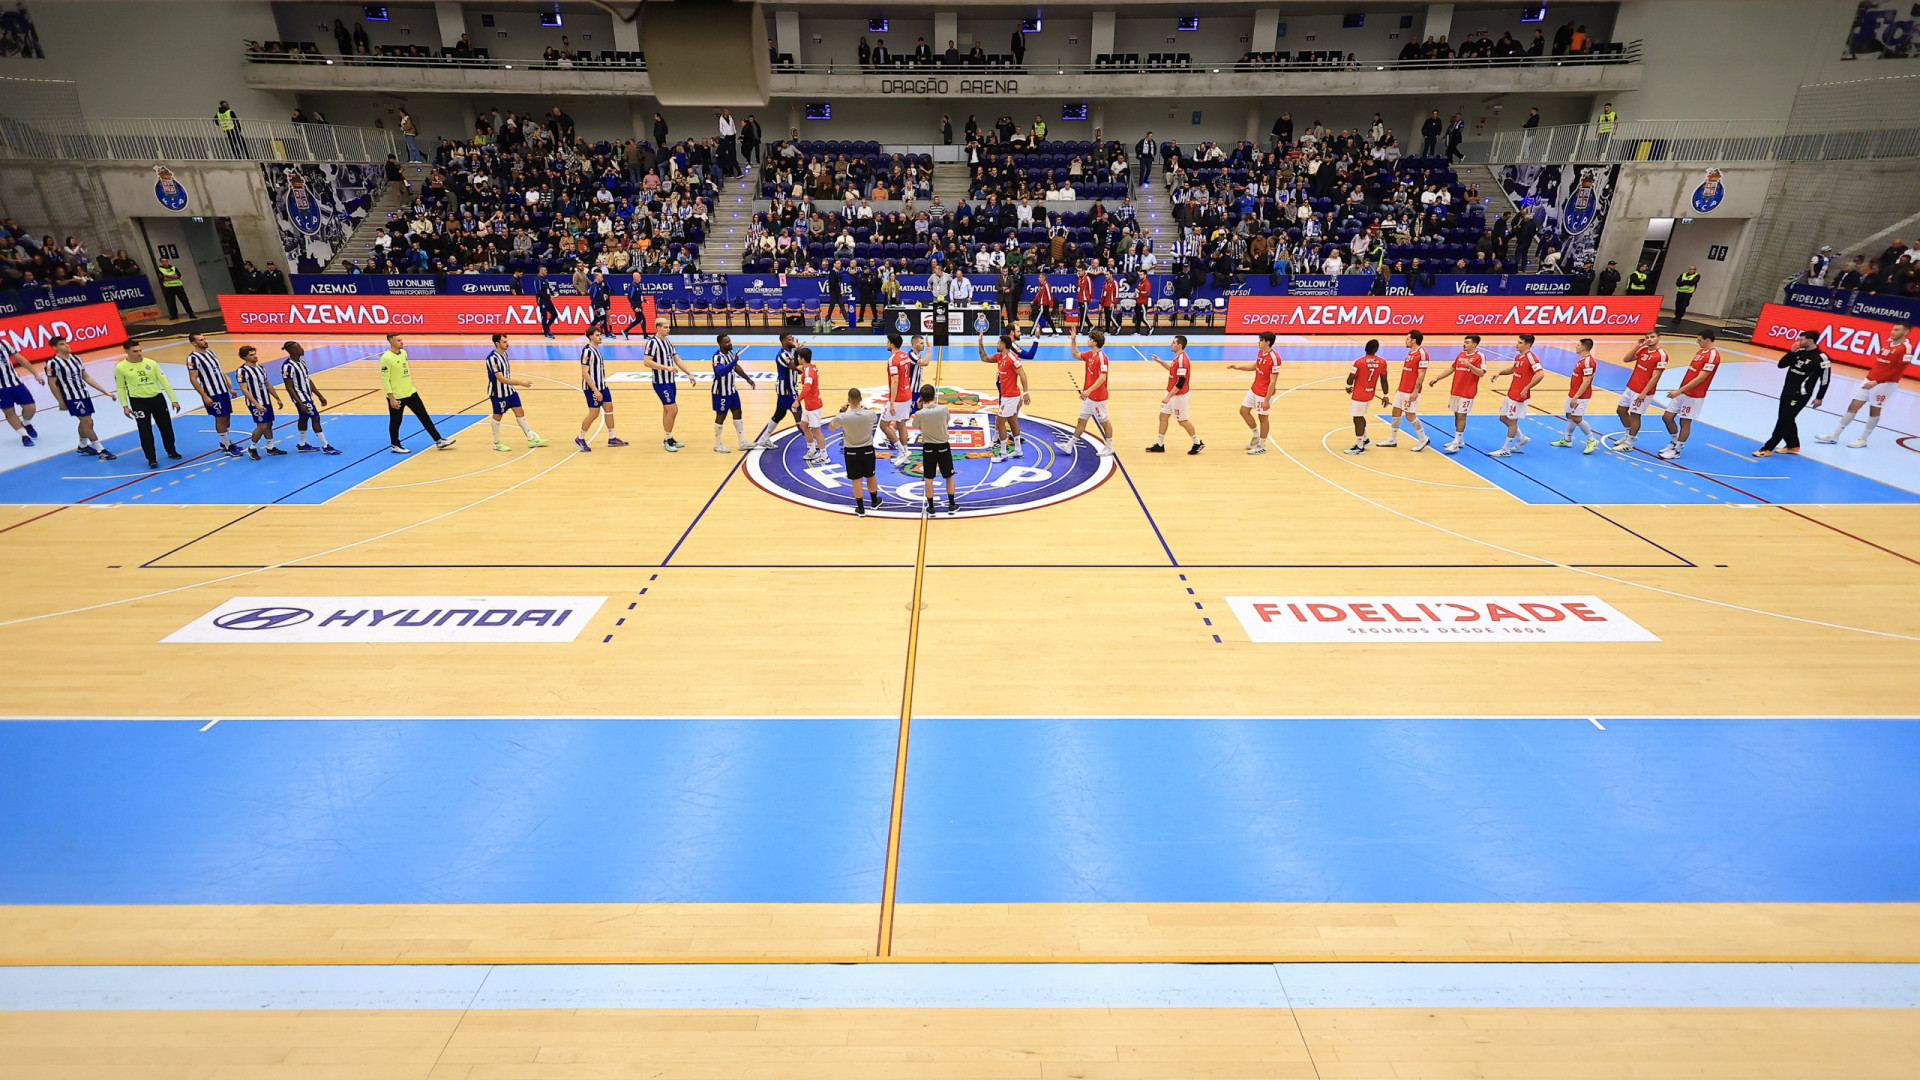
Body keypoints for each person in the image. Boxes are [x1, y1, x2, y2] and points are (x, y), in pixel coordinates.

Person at [1816, 322, 1912, 448]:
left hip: (1885, 384)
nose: (1893, 332)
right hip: (1870, 379)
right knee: (1853, 406)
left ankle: (1863, 439)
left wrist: (1877, 381)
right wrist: (1870, 378)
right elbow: (1880, 364)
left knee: (1874, 410)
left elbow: (1898, 370)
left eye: (1897, 330)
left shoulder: (1906, 347)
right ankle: (1835, 435)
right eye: (1893, 329)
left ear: (1905, 332)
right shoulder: (1887, 343)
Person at [1755, 330, 1830, 457]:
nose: (1799, 341)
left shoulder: (1822, 358)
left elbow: (1825, 380)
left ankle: (1767, 448)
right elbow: (1781, 365)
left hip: (1801, 394)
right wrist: (1791, 353)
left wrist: (1819, 397)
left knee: (1784, 420)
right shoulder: (1798, 353)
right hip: (1787, 391)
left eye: (1802, 339)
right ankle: (1792, 445)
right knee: (1787, 418)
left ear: (1810, 340)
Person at [43, 336, 116, 459]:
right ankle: (101, 450)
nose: (66, 345)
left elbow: (86, 377)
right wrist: (61, 401)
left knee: (85, 422)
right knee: (87, 421)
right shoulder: (52, 363)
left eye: (66, 343)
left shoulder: (76, 358)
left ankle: (82, 446)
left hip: (83, 394)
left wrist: (105, 391)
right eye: (62, 344)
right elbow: (52, 383)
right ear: (55, 348)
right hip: (71, 397)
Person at [379, 332, 454, 453]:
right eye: (398, 340)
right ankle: (395, 444)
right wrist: (391, 398)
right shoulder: (386, 358)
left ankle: (439, 440)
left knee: (424, 416)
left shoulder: (403, 353)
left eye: (401, 340)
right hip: (397, 395)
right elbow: (385, 380)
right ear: (391, 342)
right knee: (396, 421)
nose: (401, 342)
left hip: (411, 392)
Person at [1653, 330, 1722, 459]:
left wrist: (1678, 391)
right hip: (1683, 391)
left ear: (1708, 340)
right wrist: (1680, 390)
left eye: (1700, 340)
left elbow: (1701, 378)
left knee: (1685, 422)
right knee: (1667, 417)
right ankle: (1674, 442)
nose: (1697, 341)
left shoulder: (1713, 356)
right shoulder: (1701, 351)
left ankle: (1677, 450)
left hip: (1694, 395)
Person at [113, 340, 181, 468]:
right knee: (145, 431)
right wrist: (125, 406)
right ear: (126, 351)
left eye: (140, 350)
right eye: (135, 351)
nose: (139, 353)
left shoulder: (151, 363)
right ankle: (151, 458)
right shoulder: (120, 367)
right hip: (138, 401)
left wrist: (174, 400)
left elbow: (164, 381)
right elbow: (121, 387)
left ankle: (171, 451)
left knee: (166, 426)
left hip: (157, 399)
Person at [826, 387, 883, 516]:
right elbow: (874, 418)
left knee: (856, 479)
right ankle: (874, 502)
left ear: (848, 400)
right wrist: (865, 408)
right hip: (867, 450)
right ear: (861, 399)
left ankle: (861, 508)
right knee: (871, 475)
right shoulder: (869, 414)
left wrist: (840, 411)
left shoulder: (843, 417)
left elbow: (831, 427)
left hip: (851, 451)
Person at [484, 334, 546, 451]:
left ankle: (531, 438)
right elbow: (501, 378)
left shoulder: (505, 354)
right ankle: (497, 443)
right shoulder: (493, 359)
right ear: (497, 343)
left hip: (509, 390)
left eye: (507, 341)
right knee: (498, 416)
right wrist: (521, 382)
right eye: (504, 342)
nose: (507, 344)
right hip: (498, 393)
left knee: (519, 411)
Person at [1487, 333, 1545, 457]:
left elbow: (1540, 374)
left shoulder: (1531, 357)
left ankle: (1506, 449)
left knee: (1512, 422)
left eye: (1520, 343)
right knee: (1503, 417)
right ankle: (1521, 438)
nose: (1516, 344)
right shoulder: (1519, 357)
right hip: (1512, 392)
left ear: (1527, 345)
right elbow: (1514, 369)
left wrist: (1527, 387)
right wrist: (1500, 373)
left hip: (1520, 395)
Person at [182, 334, 240, 457]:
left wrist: (230, 387)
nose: (205, 341)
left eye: (204, 339)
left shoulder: (211, 353)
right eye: (201, 340)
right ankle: (227, 446)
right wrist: (204, 396)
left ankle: (225, 442)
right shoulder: (192, 358)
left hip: (223, 390)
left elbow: (219, 371)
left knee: (227, 416)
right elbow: (193, 379)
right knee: (220, 417)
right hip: (212, 393)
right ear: (194, 343)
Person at [1610, 329, 1668, 451]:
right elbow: (1626, 359)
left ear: (1659, 338)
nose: (1649, 339)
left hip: (1643, 391)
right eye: (1647, 337)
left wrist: (1644, 393)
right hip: (1631, 386)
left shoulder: (1661, 355)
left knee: (1635, 415)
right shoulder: (1643, 350)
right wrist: (1637, 346)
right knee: (1621, 410)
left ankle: (1629, 443)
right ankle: (1629, 434)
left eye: (1652, 337)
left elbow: (1656, 376)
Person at [1429, 333, 1487, 454]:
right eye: (1464, 342)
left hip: (1468, 392)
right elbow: (1452, 368)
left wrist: (1469, 364)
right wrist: (1437, 378)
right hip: (1456, 390)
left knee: (1462, 415)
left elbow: (1481, 373)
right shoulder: (1460, 354)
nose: (1464, 344)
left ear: (1475, 344)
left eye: (1467, 342)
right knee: (1456, 414)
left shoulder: (1480, 356)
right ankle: (1459, 440)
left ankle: (1455, 442)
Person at [977, 331, 1030, 463]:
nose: (997, 344)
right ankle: (1018, 450)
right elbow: (984, 358)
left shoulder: (1012, 358)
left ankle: (1003, 453)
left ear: (1004, 345)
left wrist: (1026, 393)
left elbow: (1023, 374)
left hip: (1011, 396)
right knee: (1012, 421)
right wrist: (980, 343)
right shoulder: (999, 357)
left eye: (999, 343)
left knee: (999, 422)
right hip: (1008, 396)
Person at [1226, 330, 1281, 455]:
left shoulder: (1275, 358)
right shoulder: (1261, 352)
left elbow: (1273, 381)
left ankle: (1262, 445)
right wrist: (1238, 367)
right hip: (1255, 388)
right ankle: (1256, 435)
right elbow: (1256, 366)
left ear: (1268, 342)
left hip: (1264, 393)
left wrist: (1267, 400)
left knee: (1263, 418)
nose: (1259, 342)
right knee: (1243, 411)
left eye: (1261, 340)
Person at [1147, 334, 1203, 454]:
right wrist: (1160, 361)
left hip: (1179, 395)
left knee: (1182, 421)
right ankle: (1160, 444)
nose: (1171, 344)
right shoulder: (1177, 358)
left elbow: (1181, 382)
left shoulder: (1183, 360)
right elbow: (1172, 369)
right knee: (1163, 416)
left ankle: (1198, 442)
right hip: (1172, 393)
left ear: (1179, 345)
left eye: (1173, 342)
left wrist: (1168, 396)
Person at [280, 341, 338, 455]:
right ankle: (326, 446)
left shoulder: (302, 362)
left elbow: (308, 380)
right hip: (301, 397)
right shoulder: (288, 366)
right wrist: (300, 403)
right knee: (315, 418)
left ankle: (302, 445)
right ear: (292, 351)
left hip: (308, 395)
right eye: (299, 348)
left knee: (304, 418)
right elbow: (289, 387)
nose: (302, 349)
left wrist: (319, 395)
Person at [1064, 325, 1115, 455]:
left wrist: (1088, 391)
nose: (1088, 341)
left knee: (1104, 422)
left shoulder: (1102, 357)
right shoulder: (1089, 355)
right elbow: (1075, 354)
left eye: (1090, 339)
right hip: (1089, 398)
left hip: (1098, 397)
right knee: (1081, 420)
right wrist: (1073, 340)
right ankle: (1069, 445)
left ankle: (1109, 447)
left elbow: (1102, 377)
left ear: (1095, 342)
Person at [642, 328, 695, 451]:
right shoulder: (652, 342)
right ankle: (667, 439)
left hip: (671, 381)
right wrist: (666, 367)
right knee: (673, 410)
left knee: (667, 410)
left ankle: (669, 437)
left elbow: (677, 359)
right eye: (665, 327)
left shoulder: (668, 342)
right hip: (660, 383)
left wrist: (689, 373)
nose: (668, 329)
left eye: (668, 327)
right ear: (658, 328)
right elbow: (647, 362)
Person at [1379, 329, 1432, 451]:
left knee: (1410, 415)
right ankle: (1392, 439)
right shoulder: (1410, 353)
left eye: (1407, 338)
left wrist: (1415, 391)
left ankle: (1423, 438)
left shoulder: (1422, 353)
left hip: (1410, 391)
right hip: (1402, 389)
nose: (1405, 340)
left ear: (1414, 340)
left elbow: (1422, 373)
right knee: (1396, 412)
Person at [573, 327, 624, 452]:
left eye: (600, 334)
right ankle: (580, 438)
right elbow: (585, 373)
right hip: (592, 388)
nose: (600, 337)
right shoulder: (587, 352)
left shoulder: (596, 350)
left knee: (609, 408)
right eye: (597, 335)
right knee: (594, 413)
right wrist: (595, 390)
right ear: (591, 336)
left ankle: (612, 438)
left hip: (602, 386)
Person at [1549, 337, 1602, 454]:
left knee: (1577, 418)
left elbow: (1587, 381)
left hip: (1581, 395)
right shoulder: (1582, 360)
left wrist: (1576, 396)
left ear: (1583, 347)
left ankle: (1591, 440)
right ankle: (1567, 439)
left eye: (1578, 345)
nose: (1576, 346)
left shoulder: (1588, 362)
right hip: (1573, 393)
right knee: (1569, 415)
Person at [751, 333, 803, 449]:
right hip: (787, 390)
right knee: (799, 414)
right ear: (784, 342)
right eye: (790, 340)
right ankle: (812, 443)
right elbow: (796, 367)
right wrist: (798, 351)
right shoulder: (782, 355)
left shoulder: (790, 353)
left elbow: (798, 369)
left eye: (793, 339)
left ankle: (764, 438)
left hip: (789, 388)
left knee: (779, 414)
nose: (793, 341)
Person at [233, 345, 285, 460]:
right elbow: (244, 389)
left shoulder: (261, 368)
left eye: (254, 353)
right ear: (244, 357)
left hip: (266, 400)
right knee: (262, 425)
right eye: (251, 355)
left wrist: (277, 398)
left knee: (269, 424)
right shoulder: (242, 371)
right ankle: (252, 447)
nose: (255, 356)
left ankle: (270, 448)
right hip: (254, 403)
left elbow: (268, 384)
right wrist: (256, 404)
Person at [913, 385, 958, 515]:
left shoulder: (920, 413)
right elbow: (947, 421)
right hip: (943, 446)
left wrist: (919, 408)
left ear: (921, 398)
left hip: (928, 448)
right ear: (934, 395)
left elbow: (916, 425)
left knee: (928, 478)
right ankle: (951, 504)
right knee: (949, 476)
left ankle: (931, 507)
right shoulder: (944, 409)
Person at [707, 333, 756, 452]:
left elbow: (736, 367)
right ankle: (717, 444)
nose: (730, 343)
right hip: (721, 392)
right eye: (726, 342)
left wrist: (747, 378)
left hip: (732, 390)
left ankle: (742, 441)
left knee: (738, 413)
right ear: (720, 344)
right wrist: (733, 362)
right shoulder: (717, 357)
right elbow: (721, 372)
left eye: (729, 341)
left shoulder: (729, 353)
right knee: (721, 416)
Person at [1343, 339, 1391, 455]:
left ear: (1365, 348)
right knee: (1360, 416)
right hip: (1370, 394)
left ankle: (1359, 447)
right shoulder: (1382, 362)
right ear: (1376, 350)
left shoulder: (1359, 362)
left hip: (1359, 395)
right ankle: (1365, 438)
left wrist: (1348, 386)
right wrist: (1386, 395)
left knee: (1357, 418)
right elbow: (1384, 380)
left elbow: (1351, 378)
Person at [0, 335, 40, 447]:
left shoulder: (4, 343)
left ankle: (26, 423)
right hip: (1, 389)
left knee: (30, 407)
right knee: (9, 412)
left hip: (15, 383)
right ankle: (24, 435)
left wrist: (35, 374)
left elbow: (20, 359)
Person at [880, 330, 916, 456]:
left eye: (888, 342)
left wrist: (892, 402)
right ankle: (905, 451)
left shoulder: (892, 360)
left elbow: (895, 382)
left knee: (883, 425)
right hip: (908, 394)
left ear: (892, 344)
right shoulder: (905, 356)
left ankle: (901, 450)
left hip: (899, 397)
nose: (887, 344)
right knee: (901, 424)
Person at [794, 346, 828, 465]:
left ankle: (824, 455)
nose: (797, 358)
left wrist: (797, 400)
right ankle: (812, 449)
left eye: (798, 357)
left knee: (816, 431)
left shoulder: (808, 372)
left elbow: (807, 388)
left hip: (813, 405)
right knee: (804, 426)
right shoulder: (810, 367)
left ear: (802, 359)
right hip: (809, 405)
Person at [535, 268, 560, 338]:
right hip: (542, 300)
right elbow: (538, 292)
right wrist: (548, 296)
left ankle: (546, 327)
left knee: (554, 314)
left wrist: (553, 293)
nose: (546, 271)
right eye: (544, 270)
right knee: (544, 316)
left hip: (548, 300)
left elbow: (548, 288)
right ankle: (546, 333)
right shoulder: (537, 279)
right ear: (540, 271)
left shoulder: (545, 279)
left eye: (546, 270)